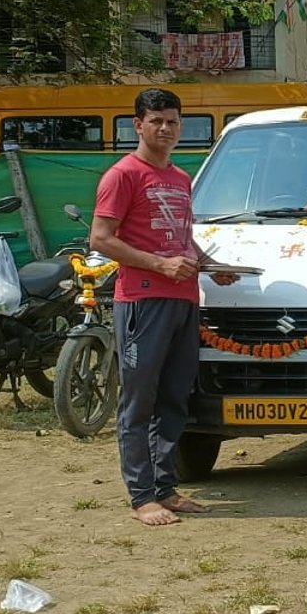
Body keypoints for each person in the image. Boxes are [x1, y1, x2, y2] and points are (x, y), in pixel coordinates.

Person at [91, 88, 239, 526]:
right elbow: (100, 239)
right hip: (142, 301)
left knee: (175, 398)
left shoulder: (178, 178)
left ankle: (165, 488)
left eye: (172, 121)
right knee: (139, 401)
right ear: (138, 125)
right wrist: (159, 264)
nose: (165, 129)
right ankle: (142, 498)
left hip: (184, 300)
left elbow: (179, 237)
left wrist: (211, 266)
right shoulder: (122, 175)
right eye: (155, 121)